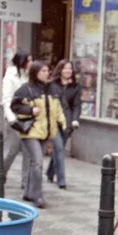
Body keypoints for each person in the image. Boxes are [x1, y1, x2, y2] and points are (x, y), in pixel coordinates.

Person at [10, 61, 66, 209]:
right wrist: (30, 110)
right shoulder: (26, 89)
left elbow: (58, 108)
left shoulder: (52, 89)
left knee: (35, 162)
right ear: (35, 73)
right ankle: (37, 195)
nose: (46, 73)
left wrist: (63, 123)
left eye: (47, 71)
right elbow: (14, 105)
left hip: (46, 131)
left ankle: (29, 192)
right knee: (37, 162)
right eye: (43, 71)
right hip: (31, 131)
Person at [47, 59, 81, 189]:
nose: (68, 71)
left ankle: (50, 173)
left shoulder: (75, 86)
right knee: (60, 149)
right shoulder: (52, 85)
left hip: (67, 123)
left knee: (58, 149)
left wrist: (75, 119)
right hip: (54, 122)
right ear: (60, 70)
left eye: (70, 68)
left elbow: (77, 105)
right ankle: (61, 180)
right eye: (65, 68)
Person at [2, 51, 32, 189]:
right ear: (22, 62)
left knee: (27, 151)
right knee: (13, 150)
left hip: (28, 117)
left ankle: (25, 181)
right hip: (14, 119)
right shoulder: (10, 78)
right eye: (29, 60)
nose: (32, 63)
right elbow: (7, 101)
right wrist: (13, 121)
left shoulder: (29, 76)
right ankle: (1, 173)